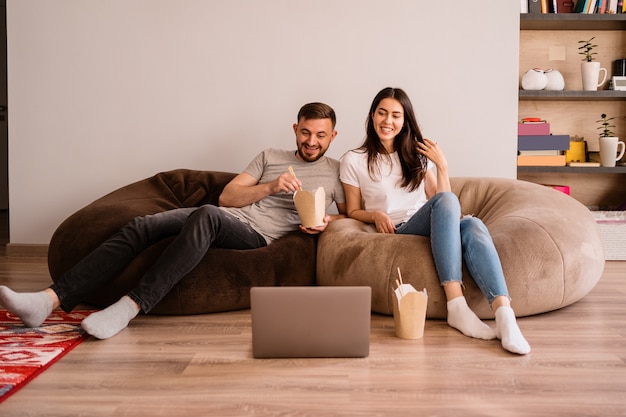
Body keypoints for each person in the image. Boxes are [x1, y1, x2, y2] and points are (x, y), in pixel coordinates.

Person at [0, 102, 346, 340]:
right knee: (143, 224)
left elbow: (345, 216)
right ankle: (48, 300)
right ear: (295, 128)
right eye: (305, 132)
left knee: (206, 215)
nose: (311, 141)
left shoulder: (335, 172)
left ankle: (130, 306)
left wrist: (323, 222)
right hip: (226, 216)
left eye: (319, 135)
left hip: (257, 236)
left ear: (332, 136)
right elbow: (226, 198)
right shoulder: (270, 157)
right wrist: (270, 186)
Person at [339, 87, 530, 355]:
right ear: (372, 116)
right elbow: (353, 210)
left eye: (396, 115)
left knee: (472, 224)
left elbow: (440, 200)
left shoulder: (416, 156)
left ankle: (504, 315)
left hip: (431, 225)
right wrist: (375, 215)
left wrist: (442, 167)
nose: (388, 121)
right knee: (450, 202)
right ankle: (456, 305)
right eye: (382, 113)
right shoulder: (353, 160)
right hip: (400, 230)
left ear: (405, 121)